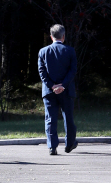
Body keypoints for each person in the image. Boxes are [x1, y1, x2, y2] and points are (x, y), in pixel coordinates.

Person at [37, 23, 78, 156]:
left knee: (50, 118)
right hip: (66, 91)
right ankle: (70, 143)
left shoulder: (43, 52)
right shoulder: (70, 51)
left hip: (49, 92)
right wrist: (63, 85)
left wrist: (52, 85)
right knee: (68, 117)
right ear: (63, 36)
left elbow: (42, 71)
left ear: (51, 37)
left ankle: (52, 146)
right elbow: (72, 71)